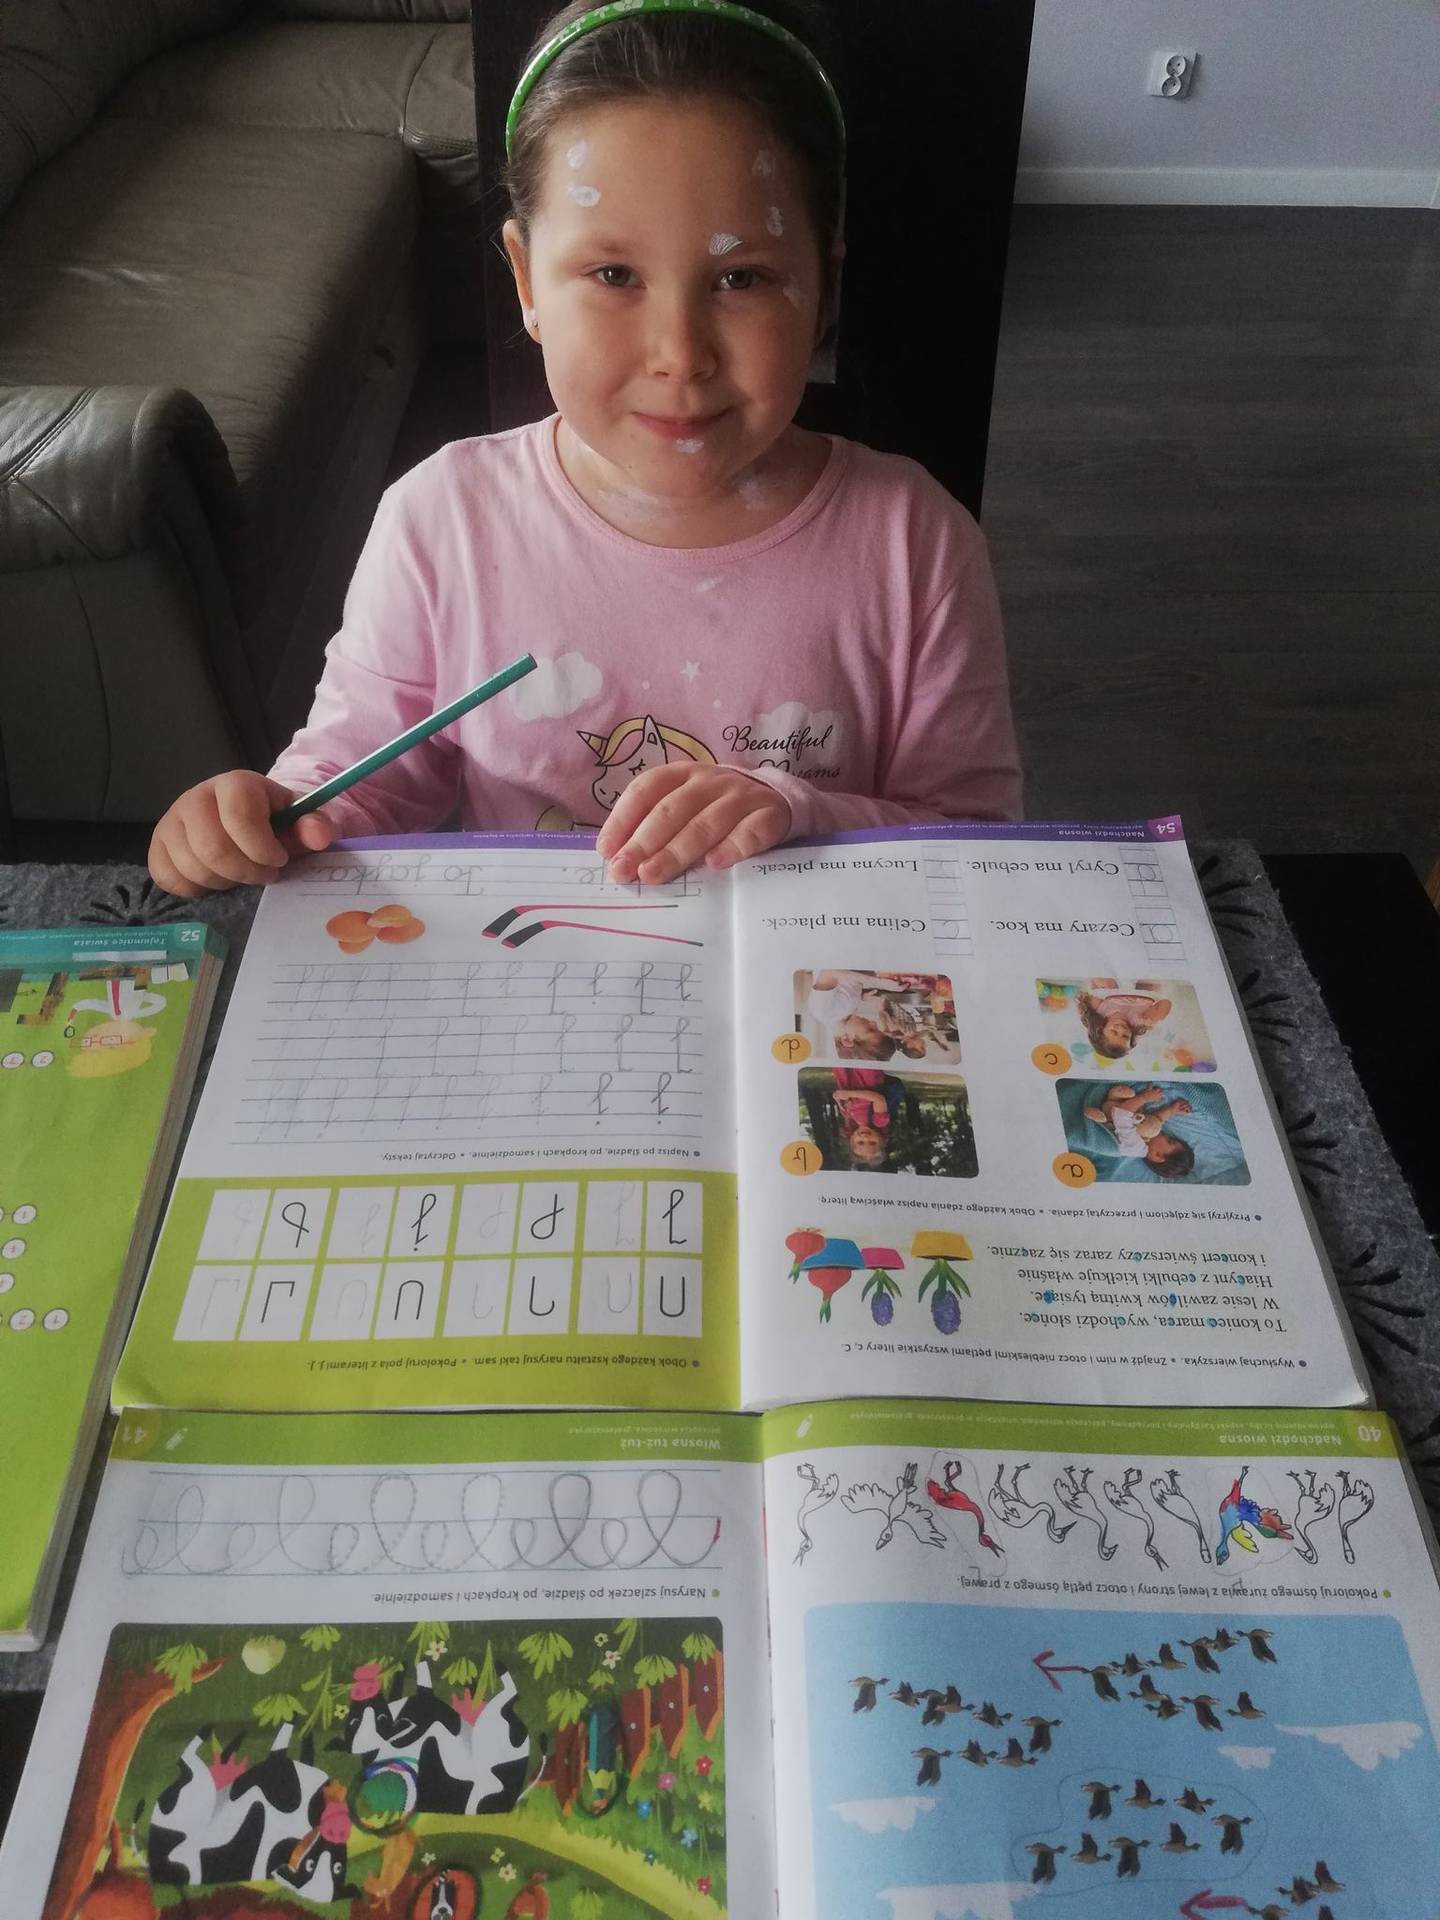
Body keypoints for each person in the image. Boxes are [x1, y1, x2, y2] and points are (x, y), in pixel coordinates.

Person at [148, 0, 1020, 901]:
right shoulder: (442, 523)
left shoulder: (916, 546)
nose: (679, 354)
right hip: (536, 974)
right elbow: (353, 791)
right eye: (613, 275)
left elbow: (985, 852)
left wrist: (802, 813)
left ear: (823, 287)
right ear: (527, 281)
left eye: (741, 276)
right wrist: (264, 815)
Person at [1084, 1084, 1195, 1178]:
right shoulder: (1146, 1142)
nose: (1165, 1135)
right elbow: (1154, 1121)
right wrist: (1172, 1110)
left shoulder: (1135, 1147)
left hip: (1097, 1120)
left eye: (1169, 1140)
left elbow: (1120, 1113)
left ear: (1157, 1155)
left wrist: (1144, 1098)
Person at [1074, 980, 1173, 1060]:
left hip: (1116, 985)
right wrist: (1154, 1016)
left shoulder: (1100, 1011)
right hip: (1142, 990)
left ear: (1101, 1030)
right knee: (1154, 986)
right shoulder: (1138, 1021)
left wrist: (1090, 997)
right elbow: (1166, 1002)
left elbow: (1093, 990)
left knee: (1106, 984)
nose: (1121, 1029)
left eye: (1114, 1032)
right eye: (1125, 1036)